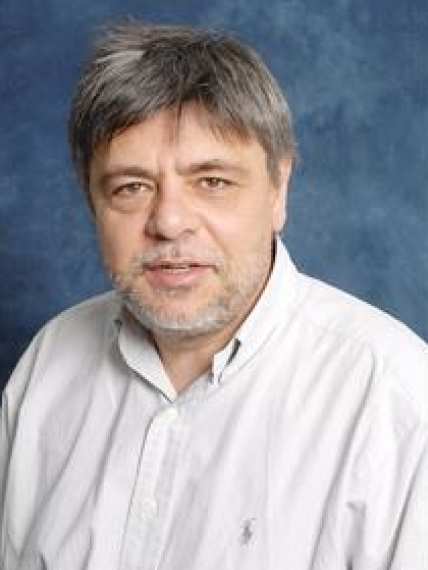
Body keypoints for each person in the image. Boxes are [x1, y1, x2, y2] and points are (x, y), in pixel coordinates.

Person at [1, 22, 427, 570]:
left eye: (212, 181)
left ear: (278, 189)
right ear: (92, 201)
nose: (169, 222)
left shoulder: (396, 402)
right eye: (132, 187)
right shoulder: (48, 366)